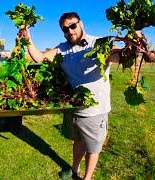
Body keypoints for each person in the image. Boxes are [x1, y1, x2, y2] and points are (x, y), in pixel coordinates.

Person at [19, 12, 155, 179]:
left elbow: (120, 57)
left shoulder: (98, 44)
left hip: (95, 111)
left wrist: (136, 43)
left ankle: (87, 177)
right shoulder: (62, 49)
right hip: (74, 107)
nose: (70, 31)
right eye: (65, 29)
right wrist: (28, 40)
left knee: (93, 148)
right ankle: (74, 170)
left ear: (81, 24)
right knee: (77, 142)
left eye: (73, 26)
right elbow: (40, 58)